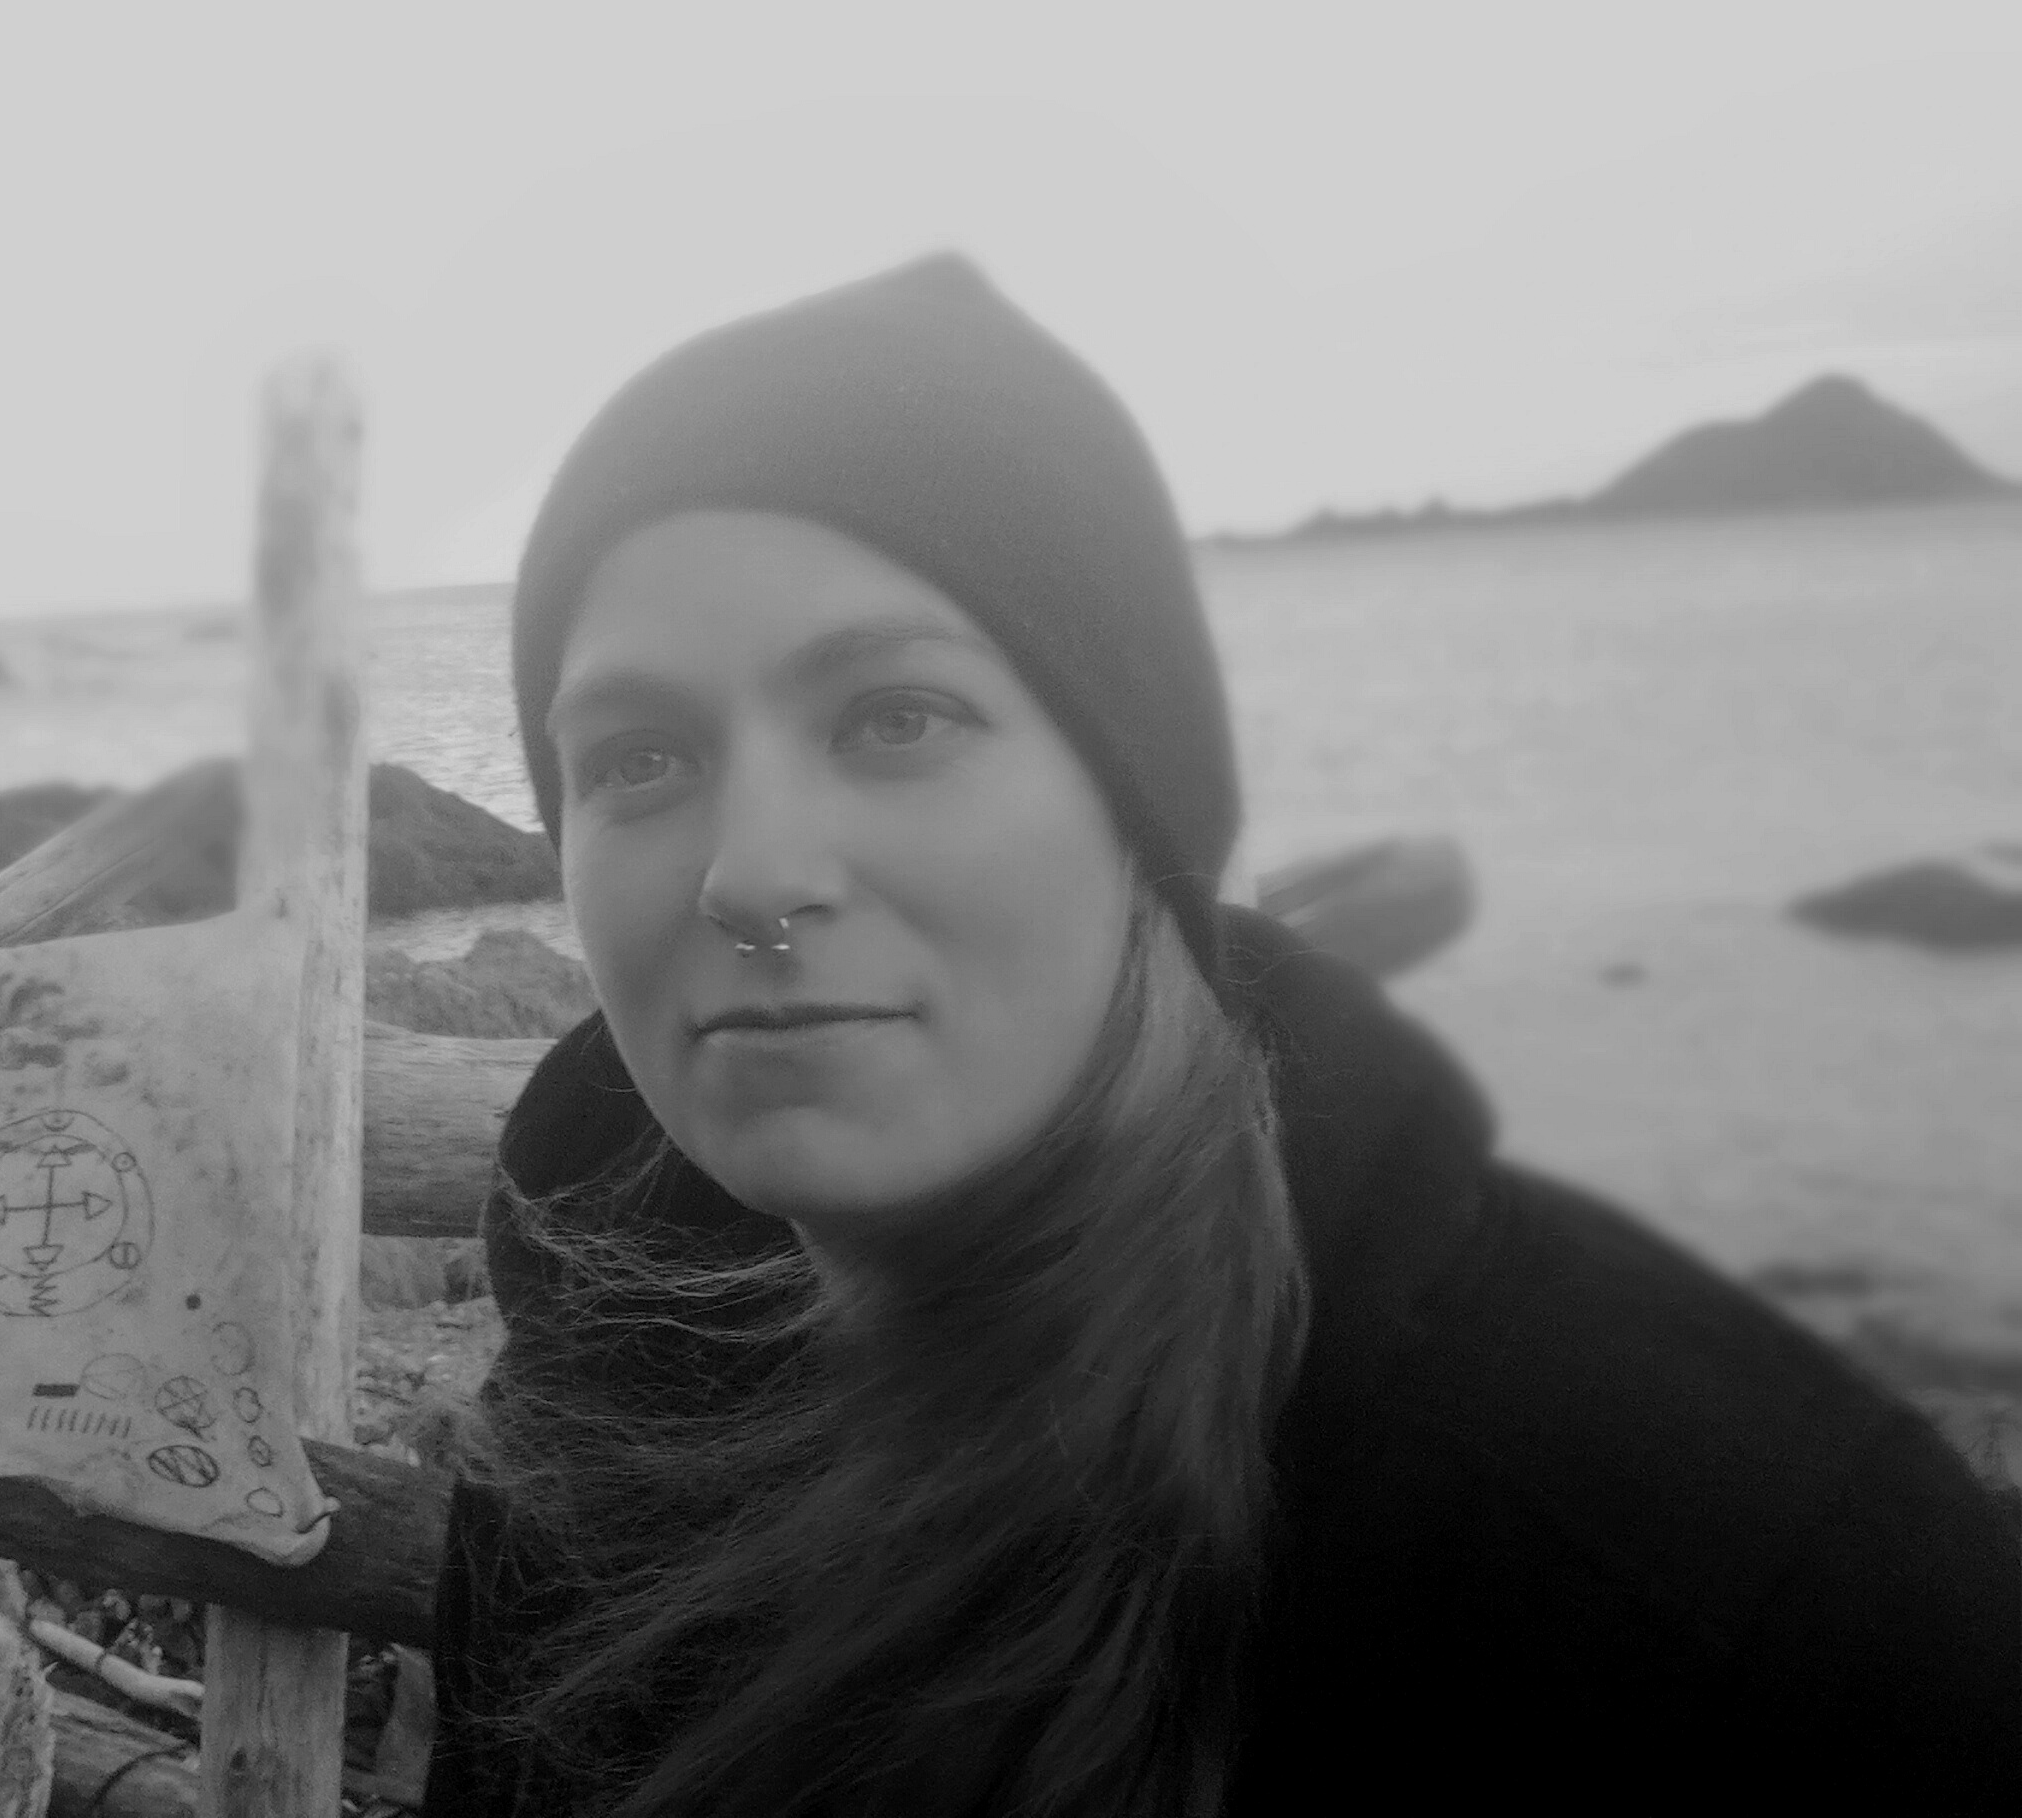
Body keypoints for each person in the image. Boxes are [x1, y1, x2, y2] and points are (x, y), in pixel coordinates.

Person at [427, 255, 2020, 1817]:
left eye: (896, 719)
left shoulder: (1713, 1575)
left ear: (1144, 814)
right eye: (637, 756)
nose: (751, 877)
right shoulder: (597, 1346)